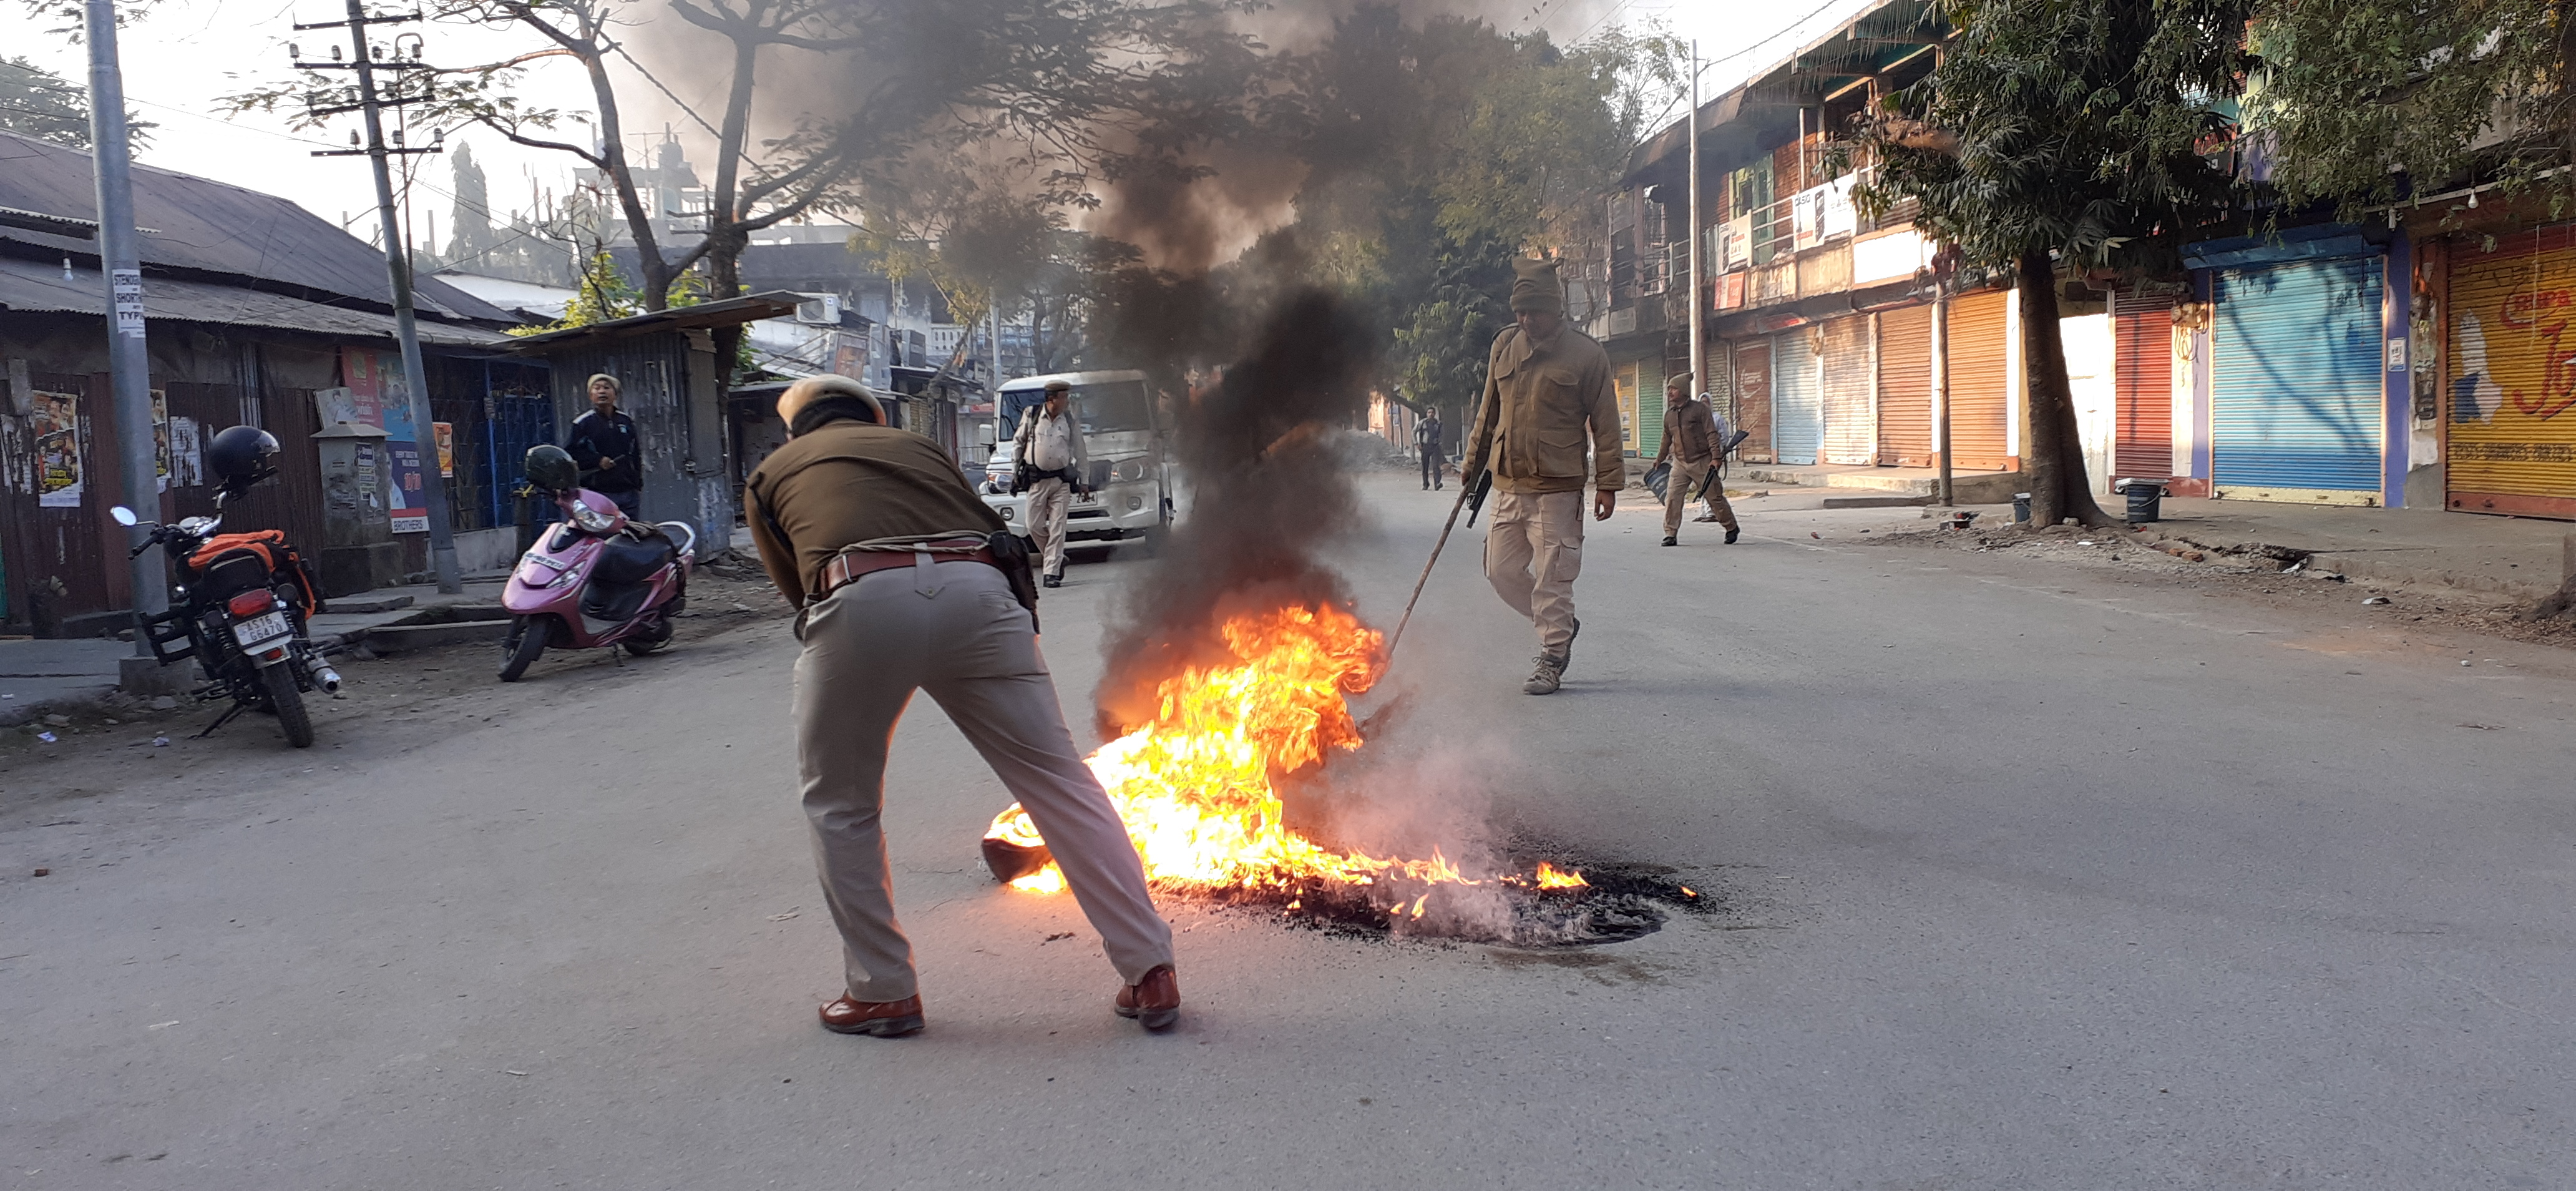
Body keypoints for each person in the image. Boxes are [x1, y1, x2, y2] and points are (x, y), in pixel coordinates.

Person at [744, 375, 1178, 1038]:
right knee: (1061, 784)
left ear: (796, 429)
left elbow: (797, 590)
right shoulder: (918, 449)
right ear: (874, 416)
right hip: (981, 592)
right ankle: (1152, 971)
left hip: (858, 595)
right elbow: (981, 527)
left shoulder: (773, 471)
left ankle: (883, 990)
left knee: (842, 803)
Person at [1460, 257, 1621, 696]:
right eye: (1519, 312)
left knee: (1553, 577)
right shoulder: (1504, 346)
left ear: (1556, 309)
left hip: (1557, 487)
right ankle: (1562, 624)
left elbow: (1606, 423)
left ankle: (1552, 655)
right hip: (1508, 483)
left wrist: (1608, 482)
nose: (1526, 320)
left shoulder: (1587, 355)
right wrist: (1472, 464)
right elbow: (1488, 410)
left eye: (1535, 311)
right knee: (1499, 571)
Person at [1012, 378, 1090, 588]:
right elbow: (1018, 443)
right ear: (1052, 399)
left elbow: (1081, 452)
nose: (1067, 401)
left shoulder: (1070, 421)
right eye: (1064, 397)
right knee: (1034, 525)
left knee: (1057, 527)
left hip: (1061, 482)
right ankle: (1056, 558)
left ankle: (1051, 573)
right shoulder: (1032, 414)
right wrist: (1014, 473)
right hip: (1036, 481)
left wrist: (1085, 481)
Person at [1652, 374, 1740, 547]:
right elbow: (1666, 439)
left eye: (1674, 388)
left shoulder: (1700, 410)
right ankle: (1670, 533)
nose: (1670, 392)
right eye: (1669, 389)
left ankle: (1731, 527)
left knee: (1715, 498)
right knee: (1672, 499)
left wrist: (1716, 457)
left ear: (1684, 391)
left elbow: (1711, 434)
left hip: (1702, 461)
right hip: (1679, 463)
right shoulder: (1669, 415)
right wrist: (1659, 459)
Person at [565, 374, 642, 517]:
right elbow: (571, 453)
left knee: (631, 535)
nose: (602, 392)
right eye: (597, 388)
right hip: (598, 492)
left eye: (607, 388)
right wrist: (598, 461)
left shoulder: (626, 421)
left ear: (616, 395)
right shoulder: (583, 423)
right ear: (591, 396)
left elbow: (635, 453)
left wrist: (637, 483)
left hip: (628, 493)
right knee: (602, 537)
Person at [1416, 405, 1445, 491]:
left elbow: (1442, 434)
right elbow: (1414, 432)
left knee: (1436, 466)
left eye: (1432, 413)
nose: (1431, 414)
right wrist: (1416, 443)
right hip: (1425, 447)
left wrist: (1440, 443)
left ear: (1435, 414)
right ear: (1427, 414)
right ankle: (1426, 484)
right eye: (1429, 413)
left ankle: (1437, 484)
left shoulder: (1439, 424)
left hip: (1435, 447)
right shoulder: (1423, 423)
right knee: (1425, 467)